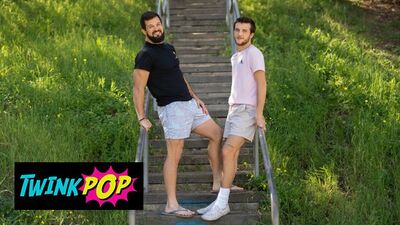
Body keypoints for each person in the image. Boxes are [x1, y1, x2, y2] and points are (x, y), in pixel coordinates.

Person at [132, 11, 224, 218]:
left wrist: (195, 96)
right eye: (151, 26)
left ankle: (218, 182)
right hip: (171, 108)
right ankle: (171, 204)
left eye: (158, 24)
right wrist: (141, 116)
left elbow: (178, 76)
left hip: (189, 105)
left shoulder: (169, 48)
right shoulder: (145, 55)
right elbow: (138, 88)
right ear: (144, 30)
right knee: (174, 154)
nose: (156, 28)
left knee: (217, 133)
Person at [197, 16, 267, 221]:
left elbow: (262, 85)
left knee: (227, 150)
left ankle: (222, 204)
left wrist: (259, 113)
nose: (240, 34)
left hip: (247, 110)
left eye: (245, 31)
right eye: (237, 30)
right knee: (231, 155)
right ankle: (220, 199)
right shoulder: (236, 56)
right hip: (234, 109)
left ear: (251, 34)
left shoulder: (255, 54)